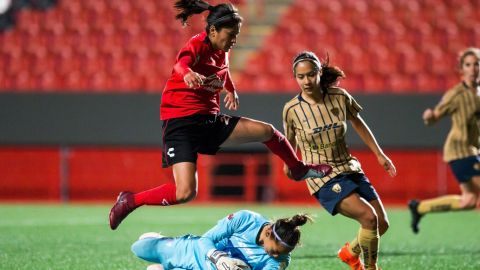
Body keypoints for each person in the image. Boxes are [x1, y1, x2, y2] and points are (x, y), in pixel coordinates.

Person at [109, 0, 332, 230]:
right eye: (231, 34)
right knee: (185, 192)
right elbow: (181, 63)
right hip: (181, 122)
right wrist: (187, 73)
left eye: (237, 34)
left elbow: (223, 73)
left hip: (209, 120)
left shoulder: (222, 51)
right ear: (213, 30)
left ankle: (297, 168)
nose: (234, 40)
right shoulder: (198, 44)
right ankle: (130, 201)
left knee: (267, 131)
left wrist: (231, 90)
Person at [282, 51, 396, 270]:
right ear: (295, 78)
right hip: (322, 176)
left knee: (381, 224)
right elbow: (289, 142)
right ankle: (370, 268)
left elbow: (359, 123)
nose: (306, 81)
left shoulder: (340, 96)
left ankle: (350, 252)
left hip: (349, 166)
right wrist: (290, 165)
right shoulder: (291, 109)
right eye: (301, 76)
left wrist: (380, 154)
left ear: (319, 73)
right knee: (369, 218)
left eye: (311, 74)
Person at [408, 47, 480, 234]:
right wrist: (429, 116)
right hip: (459, 150)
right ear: (461, 69)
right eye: (468, 65)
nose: (473, 68)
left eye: (477, 64)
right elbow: (435, 116)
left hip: (473, 150)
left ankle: (419, 207)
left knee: (469, 201)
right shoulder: (456, 94)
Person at [130, 210, 312, 270]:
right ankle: (160, 241)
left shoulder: (280, 261)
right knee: (139, 248)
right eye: (274, 250)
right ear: (268, 232)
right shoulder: (246, 219)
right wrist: (220, 258)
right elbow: (205, 239)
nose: (274, 255)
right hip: (198, 253)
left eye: (280, 254)